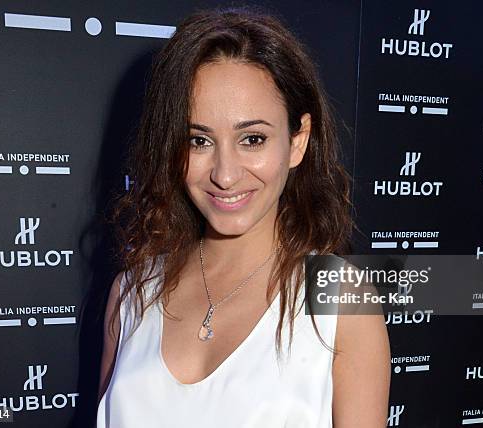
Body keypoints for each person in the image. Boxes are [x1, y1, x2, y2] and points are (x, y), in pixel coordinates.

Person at [96, 5, 390, 427]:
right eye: (198, 140)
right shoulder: (133, 292)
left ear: (298, 141)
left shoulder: (340, 301)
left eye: (252, 139)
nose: (225, 174)